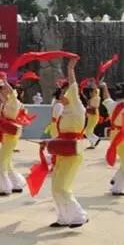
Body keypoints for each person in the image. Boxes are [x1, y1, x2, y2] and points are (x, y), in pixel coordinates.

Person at [47, 58, 89, 227]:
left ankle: (79, 215)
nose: (60, 96)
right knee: (55, 188)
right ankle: (64, 217)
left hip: (73, 152)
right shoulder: (64, 112)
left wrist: (70, 68)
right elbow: (58, 135)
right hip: (62, 151)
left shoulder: (77, 107)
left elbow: (73, 85)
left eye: (63, 93)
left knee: (62, 187)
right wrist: (48, 144)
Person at [0, 76, 27, 196]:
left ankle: (5, 188)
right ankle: (17, 184)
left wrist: (5, 80)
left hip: (10, 134)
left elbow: (11, 92)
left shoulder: (14, 100)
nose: (0, 90)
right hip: (8, 134)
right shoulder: (7, 102)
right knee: (7, 162)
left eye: (2, 88)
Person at [100, 81, 124, 196]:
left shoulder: (113, 105)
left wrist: (104, 87)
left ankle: (115, 180)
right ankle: (116, 188)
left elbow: (106, 98)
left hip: (114, 136)